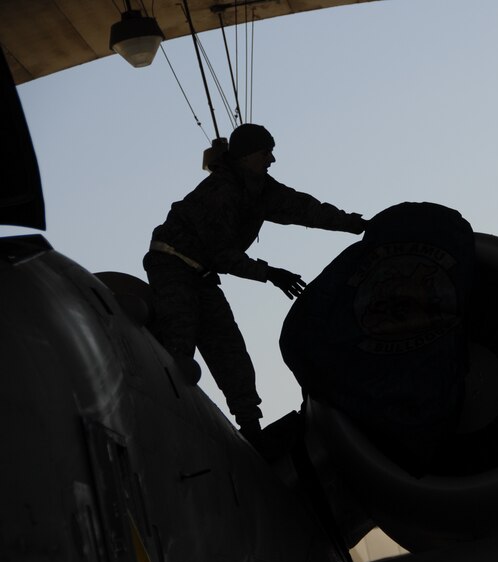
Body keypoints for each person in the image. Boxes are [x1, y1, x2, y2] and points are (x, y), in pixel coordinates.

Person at [143, 123, 366, 448]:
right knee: (177, 349)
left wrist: (354, 225)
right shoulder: (221, 192)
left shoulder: (261, 191)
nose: (271, 159)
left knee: (231, 352)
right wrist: (271, 274)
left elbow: (304, 209)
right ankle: (162, 427)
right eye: (266, 152)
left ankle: (251, 434)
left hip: (202, 275)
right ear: (247, 155)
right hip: (172, 265)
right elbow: (223, 255)